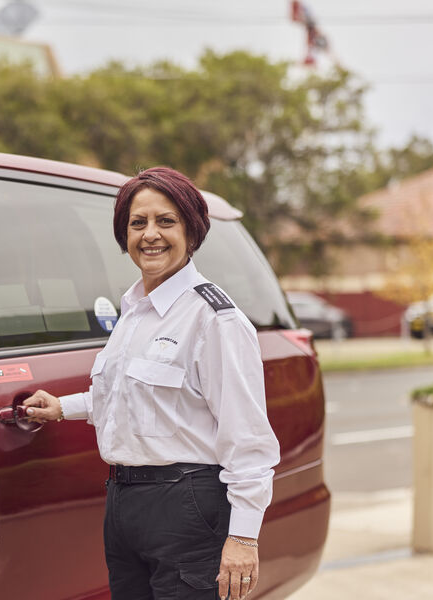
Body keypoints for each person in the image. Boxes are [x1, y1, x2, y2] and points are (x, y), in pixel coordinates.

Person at [23, 167, 280, 600]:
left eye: (166, 221)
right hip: (124, 503)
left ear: (192, 232)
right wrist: (63, 407)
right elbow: (126, 395)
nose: (150, 235)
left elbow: (247, 438)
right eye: (137, 223)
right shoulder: (134, 309)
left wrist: (244, 538)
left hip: (188, 506)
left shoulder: (215, 319)